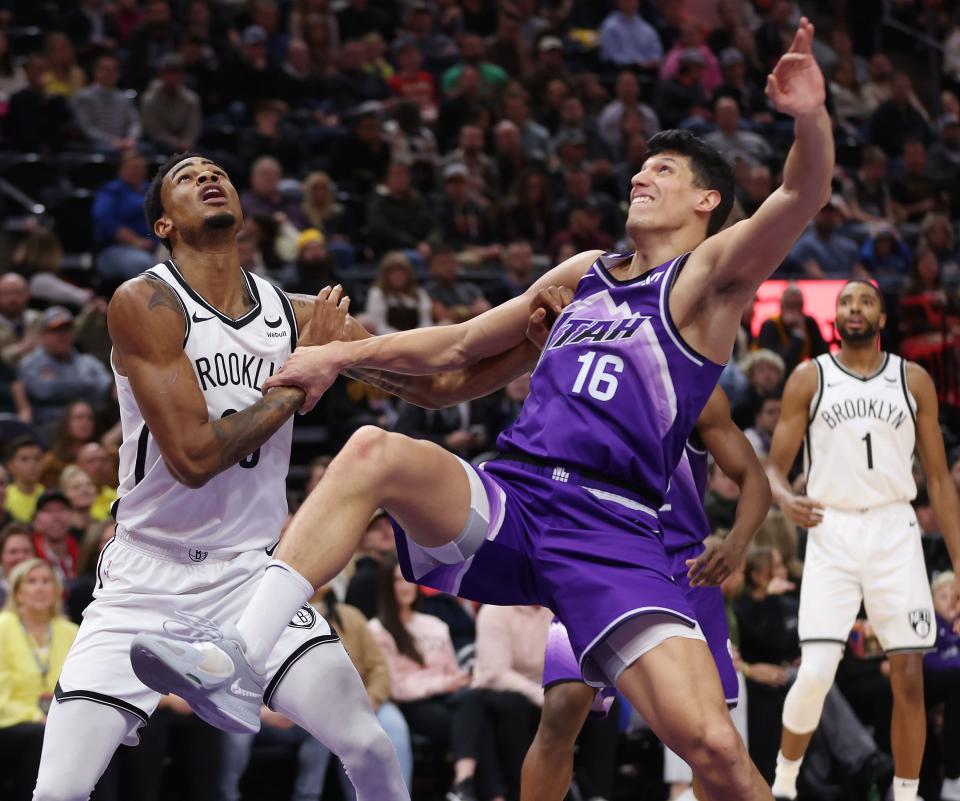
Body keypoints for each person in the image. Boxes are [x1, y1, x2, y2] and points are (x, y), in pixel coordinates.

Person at [136, 21, 831, 801]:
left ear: (708, 200)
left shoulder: (709, 281)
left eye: (661, 170)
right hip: (520, 496)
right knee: (371, 450)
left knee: (713, 749)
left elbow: (801, 194)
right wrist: (342, 355)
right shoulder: (585, 272)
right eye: (639, 166)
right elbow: (458, 345)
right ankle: (236, 651)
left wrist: (809, 118)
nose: (640, 177)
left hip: (615, 530)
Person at [28, 151, 409, 801]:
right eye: (185, 176)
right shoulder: (145, 300)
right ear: (163, 226)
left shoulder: (295, 314)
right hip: (146, 577)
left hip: (248, 577)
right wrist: (306, 376)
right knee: (59, 790)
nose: (208, 177)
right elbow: (194, 458)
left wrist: (534, 322)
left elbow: (434, 377)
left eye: (216, 171)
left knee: (369, 743)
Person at [520, 384, 771, 801]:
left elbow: (753, 478)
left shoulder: (699, 390)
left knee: (713, 739)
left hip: (682, 570)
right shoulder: (587, 374)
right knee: (560, 715)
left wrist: (736, 544)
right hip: (599, 560)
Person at [766, 280, 960, 801]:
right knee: (815, 673)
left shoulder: (912, 379)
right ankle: (783, 782)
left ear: (881, 319)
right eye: (845, 302)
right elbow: (772, 469)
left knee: (911, 675)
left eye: (865, 302)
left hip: (896, 529)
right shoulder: (810, 377)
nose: (854, 308)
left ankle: (906, 792)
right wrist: (785, 499)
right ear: (836, 319)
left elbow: (939, 480)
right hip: (832, 528)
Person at [0, 558, 78, 801]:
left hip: (58, 720)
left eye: (47, 581)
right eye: (32, 582)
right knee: (39, 736)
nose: (41, 587)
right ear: (18, 592)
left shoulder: (71, 631)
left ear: (56, 591)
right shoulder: (3, 627)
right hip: (12, 721)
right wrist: (38, 717)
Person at [4, 438, 44, 523]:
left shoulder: (47, 495)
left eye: (37, 459)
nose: (33, 464)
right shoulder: (4, 497)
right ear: (10, 466)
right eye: (24, 459)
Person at [0, 522, 36, 607]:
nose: (20, 557)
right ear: (1, 557)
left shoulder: (48, 587)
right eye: (13, 552)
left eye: (26, 551)